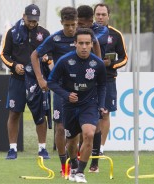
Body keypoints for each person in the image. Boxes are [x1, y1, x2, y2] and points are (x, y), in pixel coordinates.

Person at [47, 28, 107, 183]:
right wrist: (66, 95)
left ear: (92, 44)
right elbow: (51, 82)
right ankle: (73, 165)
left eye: (88, 43)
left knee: (89, 134)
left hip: (89, 104)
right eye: (81, 43)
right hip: (70, 106)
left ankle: (80, 172)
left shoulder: (98, 63)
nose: (84, 46)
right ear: (75, 44)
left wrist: (101, 105)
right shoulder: (65, 61)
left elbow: (102, 86)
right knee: (72, 142)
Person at [30, 6, 78, 177]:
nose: (71, 28)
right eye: (67, 25)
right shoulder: (55, 38)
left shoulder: (83, 37)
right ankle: (64, 164)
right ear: (61, 23)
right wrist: (41, 79)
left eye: (73, 24)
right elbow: (34, 55)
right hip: (59, 88)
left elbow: (95, 53)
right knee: (60, 127)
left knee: (77, 128)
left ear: (77, 22)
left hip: (81, 89)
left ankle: (74, 161)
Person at [0, 4, 51, 160]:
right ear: (24, 16)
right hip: (18, 79)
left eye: (35, 20)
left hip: (37, 80)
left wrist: (46, 59)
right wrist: (14, 65)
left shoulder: (44, 33)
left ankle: (42, 148)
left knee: (40, 115)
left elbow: (50, 55)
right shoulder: (12, 32)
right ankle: (12, 149)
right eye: (30, 20)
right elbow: (4, 54)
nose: (32, 23)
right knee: (14, 113)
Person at [77, 4, 109, 173]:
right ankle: (77, 161)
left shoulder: (101, 31)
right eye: (79, 24)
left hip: (95, 82)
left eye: (84, 24)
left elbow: (93, 43)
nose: (81, 27)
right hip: (74, 83)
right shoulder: (73, 31)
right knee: (78, 125)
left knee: (95, 123)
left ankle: (94, 163)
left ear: (91, 21)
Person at [94, 3, 128, 158]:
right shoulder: (87, 33)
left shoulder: (115, 35)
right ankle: (85, 145)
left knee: (105, 114)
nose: (100, 17)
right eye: (98, 14)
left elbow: (124, 58)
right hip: (89, 80)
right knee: (87, 114)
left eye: (103, 14)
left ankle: (100, 147)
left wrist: (112, 64)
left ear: (108, 16)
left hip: (108, 80)